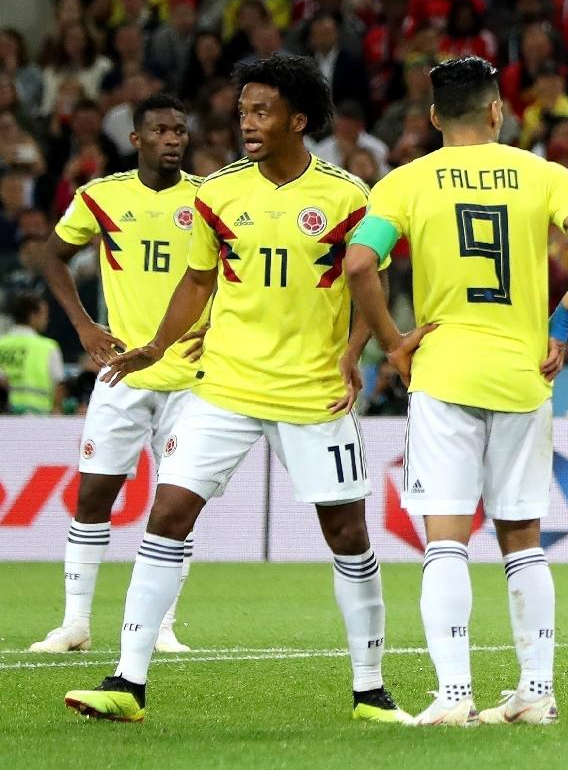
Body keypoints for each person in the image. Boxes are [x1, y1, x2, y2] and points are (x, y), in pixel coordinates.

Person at [70, 54, 407, 724]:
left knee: (346, 533)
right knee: (167, 514)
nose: (246, 123)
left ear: (298, 119)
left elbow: (374, 276)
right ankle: (127, 682)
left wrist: (354, 351)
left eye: (262, 111)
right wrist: (159, 345)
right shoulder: (219, 193)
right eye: (243, 110)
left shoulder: (347, 195)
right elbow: (198, 281)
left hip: (312, 393)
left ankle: (370, 689)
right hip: (222, 385)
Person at [342, 54, 568, 727]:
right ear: (497, 111)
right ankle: (536, 692)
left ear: (434, 117)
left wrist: (391, 341)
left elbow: (357, 263)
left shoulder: (405, 183)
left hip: (444, 374)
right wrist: (562, 320)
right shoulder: (541, 174)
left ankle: (456, 698)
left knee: (446, 540)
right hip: (525, 376)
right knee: (523, 538)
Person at [29, 94, 203, 656]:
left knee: (177, 505)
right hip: (121, 374)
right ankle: (75, 623)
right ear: (137, 140)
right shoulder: (102, 197)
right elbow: (50, 256)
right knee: (93, 496)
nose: (173, 139)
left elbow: (235, 272)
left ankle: (164, 626)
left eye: (180, 130)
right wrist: (81, 326)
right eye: (160, 130)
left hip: (191, 380)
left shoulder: (208, 198)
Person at [0, 293, 64, 414]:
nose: (47, 319)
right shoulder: (48, 347)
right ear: (32, 316)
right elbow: (58, 388)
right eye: (44, 314)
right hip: (37, 417)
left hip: (3, 414)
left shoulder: (1, 344)